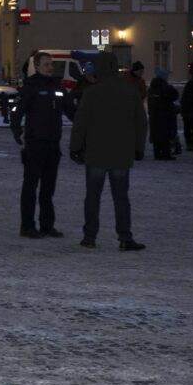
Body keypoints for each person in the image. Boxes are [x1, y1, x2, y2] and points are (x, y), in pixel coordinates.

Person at [69, 51, 147, 251]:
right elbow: (141, 122)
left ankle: (89, 236)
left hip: (96, 152)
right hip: (121, 153)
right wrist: (139, 147)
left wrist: (75, 147)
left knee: (93, 196)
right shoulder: (130, 91)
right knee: (121, 197)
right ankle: (124, 237)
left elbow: (81, 123)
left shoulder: (92, 92)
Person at [11, 51, 76, 239]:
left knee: (48, 187)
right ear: (37, 66)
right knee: (30, 186)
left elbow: (70, 110)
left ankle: (47, 225)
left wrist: (85, 123)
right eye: (46, 64)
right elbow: (17, 109)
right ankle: (27, 226)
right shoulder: (30, 87)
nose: (50, 67)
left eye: (51, 64)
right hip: (35, 144)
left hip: (52, 144)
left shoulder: (58, 87)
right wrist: (16, 128)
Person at [146, 69, 179, 160]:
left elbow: (149, 101)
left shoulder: (152, 88)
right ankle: (165, 154)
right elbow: (174, 95)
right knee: (165, 135)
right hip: (165, 114)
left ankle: (157, 154)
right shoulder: (165, 86)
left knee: (157, 135)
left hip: (155, 114)